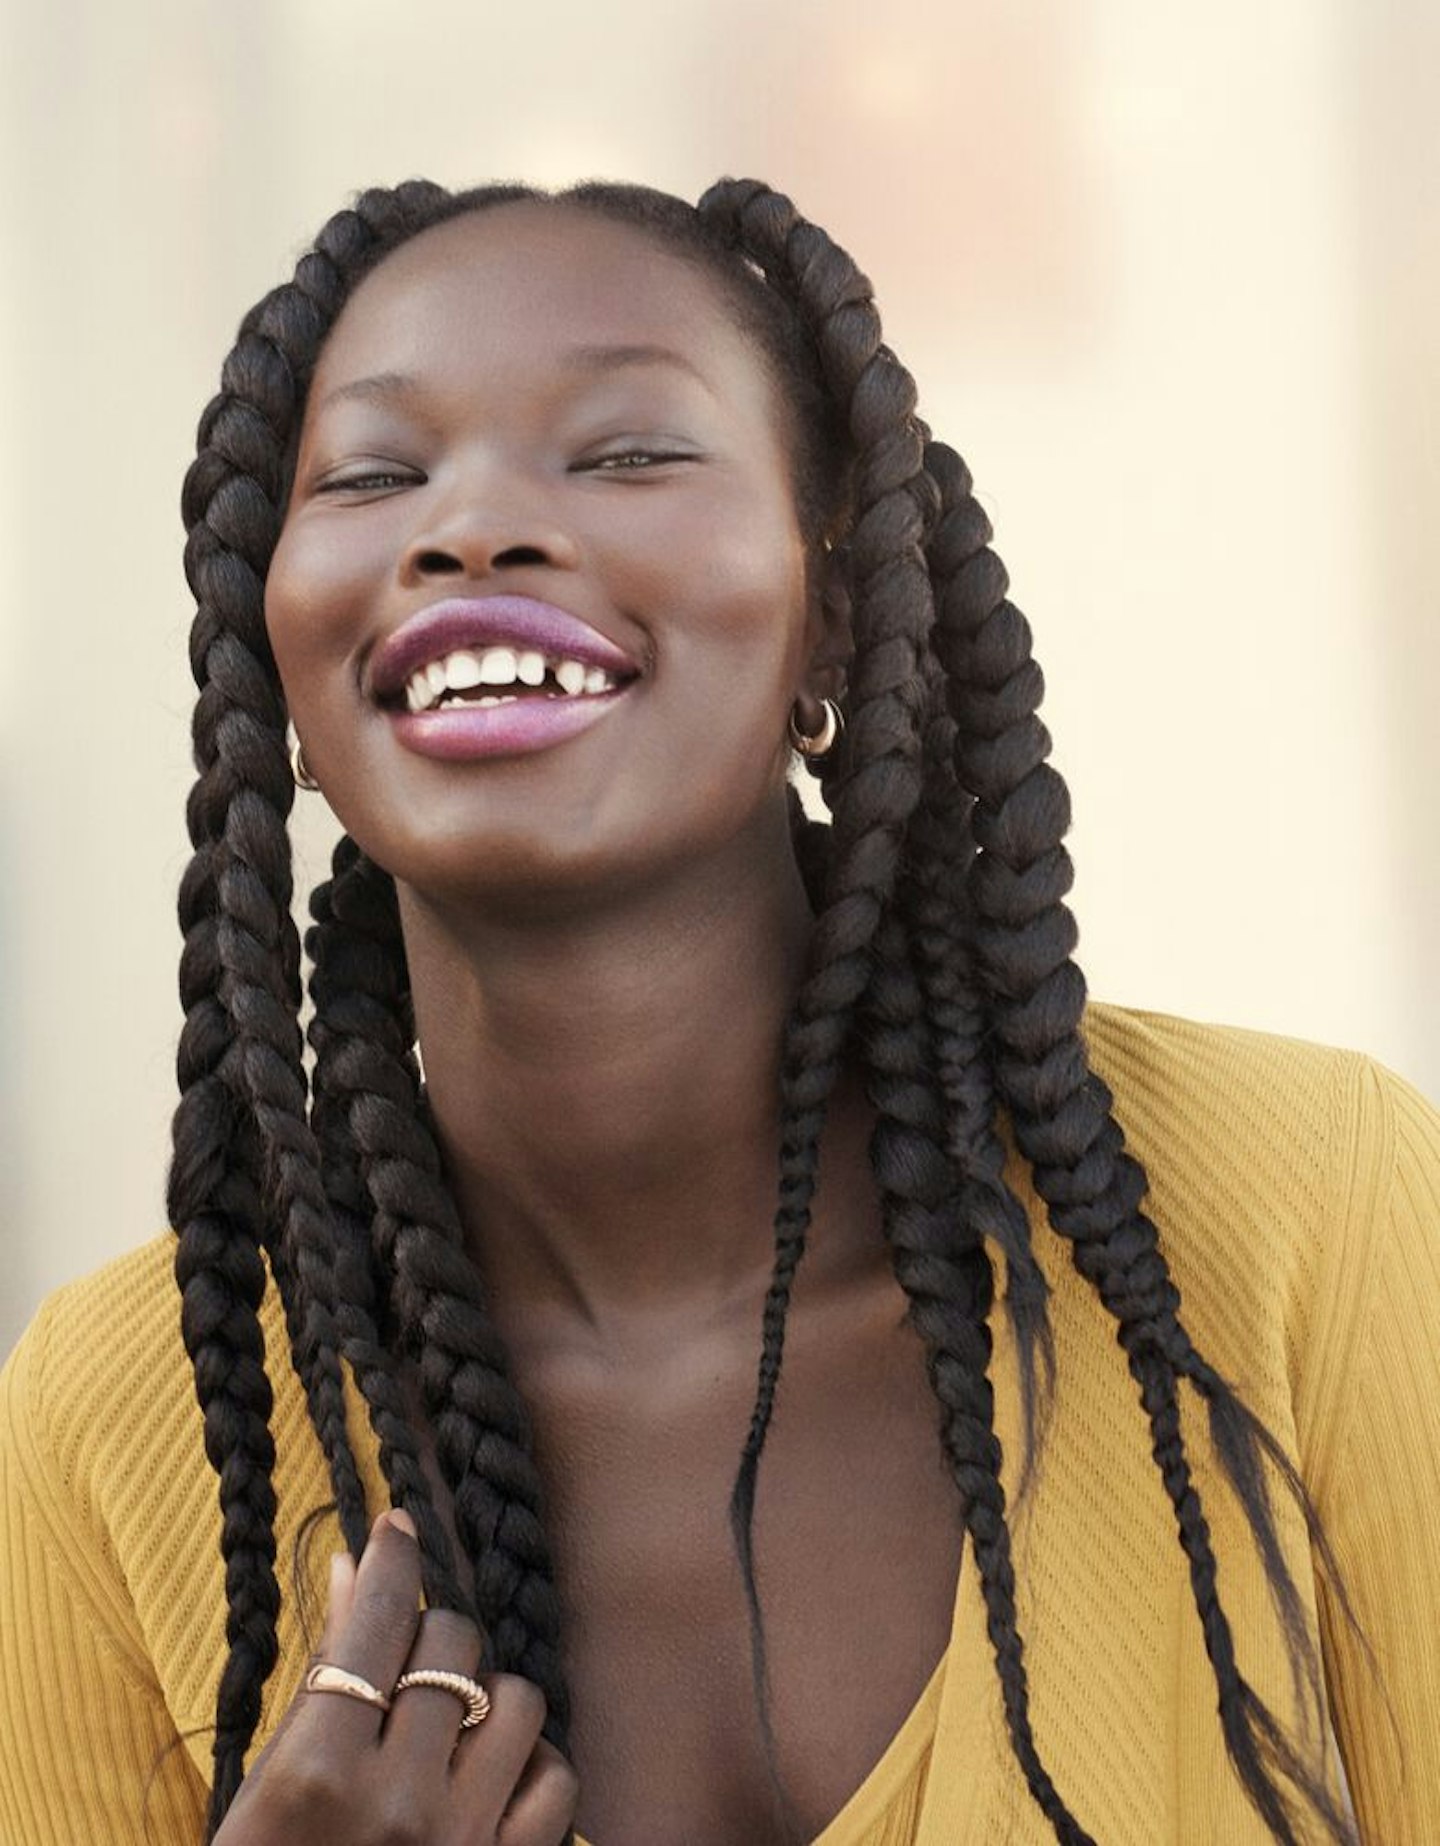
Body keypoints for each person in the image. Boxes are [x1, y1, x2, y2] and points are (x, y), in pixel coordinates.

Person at [0, 176, 1436, 1846]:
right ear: (286, 685)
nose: (471, 528)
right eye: (376, 476)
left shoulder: (1307, 1211)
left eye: (627, 452)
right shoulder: (114, 1428)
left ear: (835, 615)